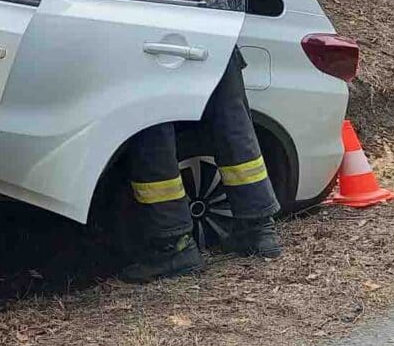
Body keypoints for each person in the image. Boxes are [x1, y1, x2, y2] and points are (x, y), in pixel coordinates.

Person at [119, 48, 283, 284]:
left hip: (154, 36)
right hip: (215, 29)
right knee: (231, 122)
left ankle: (173, 246)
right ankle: (258, 228)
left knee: (151, 128)